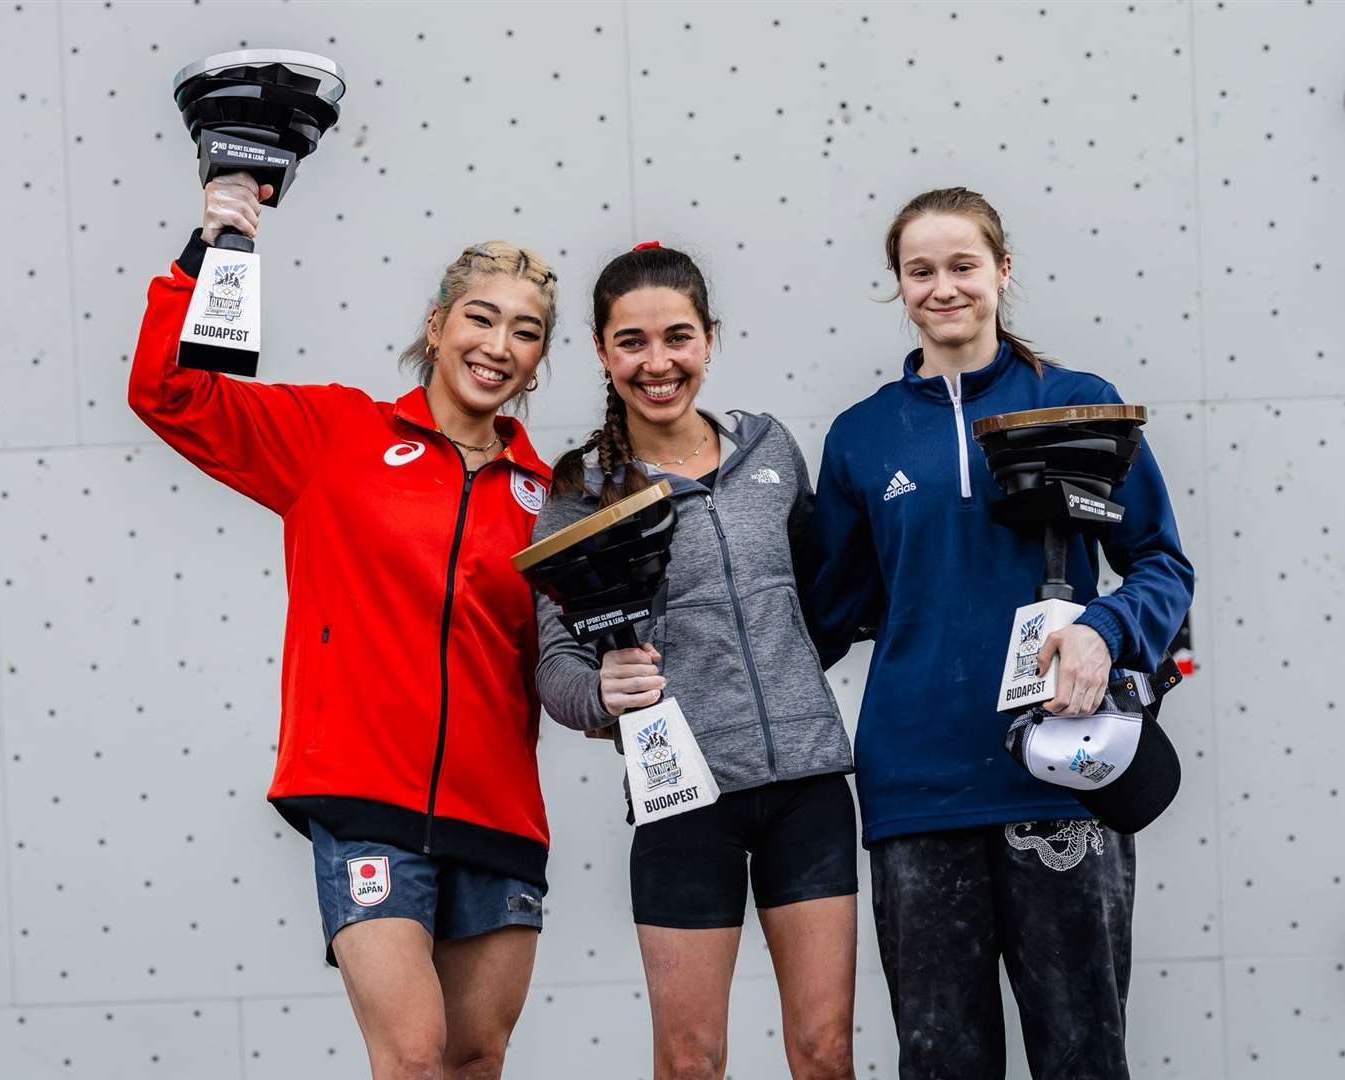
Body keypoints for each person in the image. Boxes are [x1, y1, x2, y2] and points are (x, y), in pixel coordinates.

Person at [128, 171, 559, 1080]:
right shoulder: (337, 435)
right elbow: (169, 392)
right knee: (410, 1056)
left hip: (499, 812)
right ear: (437, 325)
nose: (498, 345)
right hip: (365, 798)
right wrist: (213, 245)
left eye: (525, 332)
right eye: (480, 318)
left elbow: (567, 661)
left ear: (539, 359)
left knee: (476, 1058)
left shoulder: (547, 497)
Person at [804, 187, 1195, 1080]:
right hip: (915, 789)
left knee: (1082, 1056)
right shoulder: (862, 437)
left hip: (1059, 774)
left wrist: (1103, 631)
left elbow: (1162, 567)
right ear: (898, 286)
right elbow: (819, 618)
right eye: (920, 271)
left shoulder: (1080, 405)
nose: (943, 288)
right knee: (940, 1062)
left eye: (962, 266)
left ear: (1001, 271)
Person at [533, 242, 858, 1080]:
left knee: (824, 1053)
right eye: (631, 343)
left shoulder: (770, 450)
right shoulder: (581, 489)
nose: (657, 362)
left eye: (676, 337)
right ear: (603, 353)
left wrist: (790, 675)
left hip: (807, 788)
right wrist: (601, 697)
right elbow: (556, 663)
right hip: (684, 795)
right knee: (688, 1059)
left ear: (709, 338)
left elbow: (816, 601)